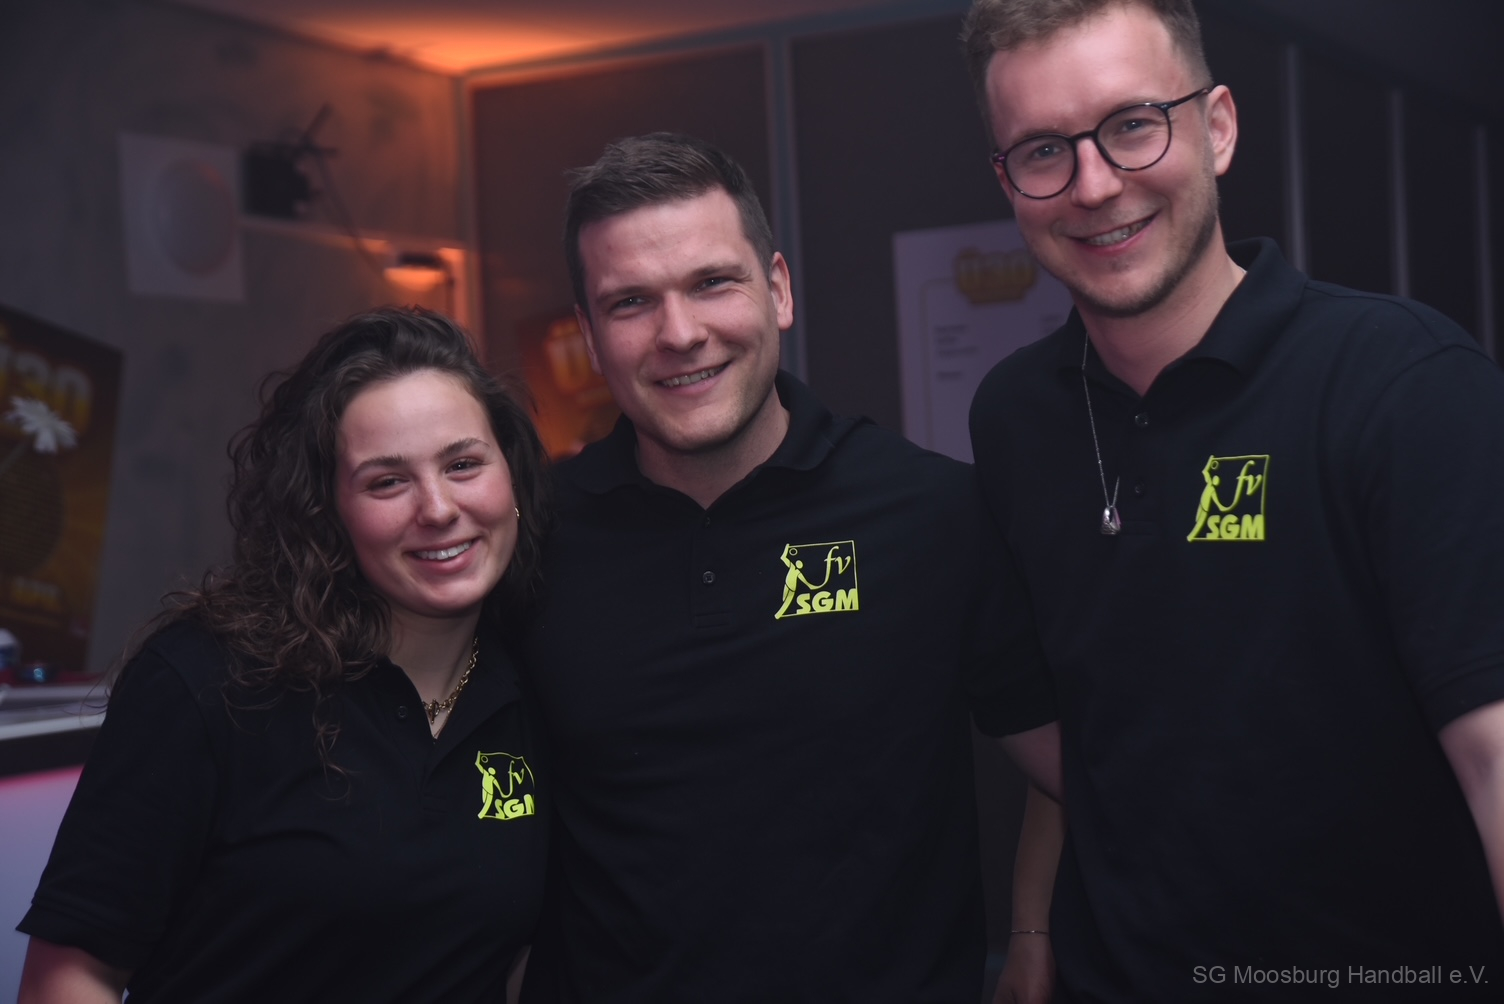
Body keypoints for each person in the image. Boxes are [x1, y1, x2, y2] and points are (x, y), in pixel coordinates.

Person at [962, 0, 1504, 999]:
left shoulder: (1402, 380)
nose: (1093, 185)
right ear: (1008, 183)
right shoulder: (1013, 417)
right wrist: (1031, 928)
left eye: (1133, 125)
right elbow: (1084, 724)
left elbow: (1494, 756)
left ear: (1216, 127)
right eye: (1043, 150)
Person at [518, 132, 1062, 1003]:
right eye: (631, 303)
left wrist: (1033, 933)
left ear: (777, 290)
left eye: (712, 283)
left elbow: (1082, 764)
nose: (680, 334)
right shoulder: (530, 543)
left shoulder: (932, 514)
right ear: (589, 334)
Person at [16, 306, 551, 1003]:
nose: (438, 507)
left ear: (512, 477)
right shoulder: (210, 681)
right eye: (387, 481)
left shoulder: (539, 680)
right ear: (328, 514)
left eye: (463, 464)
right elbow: (70, 976)